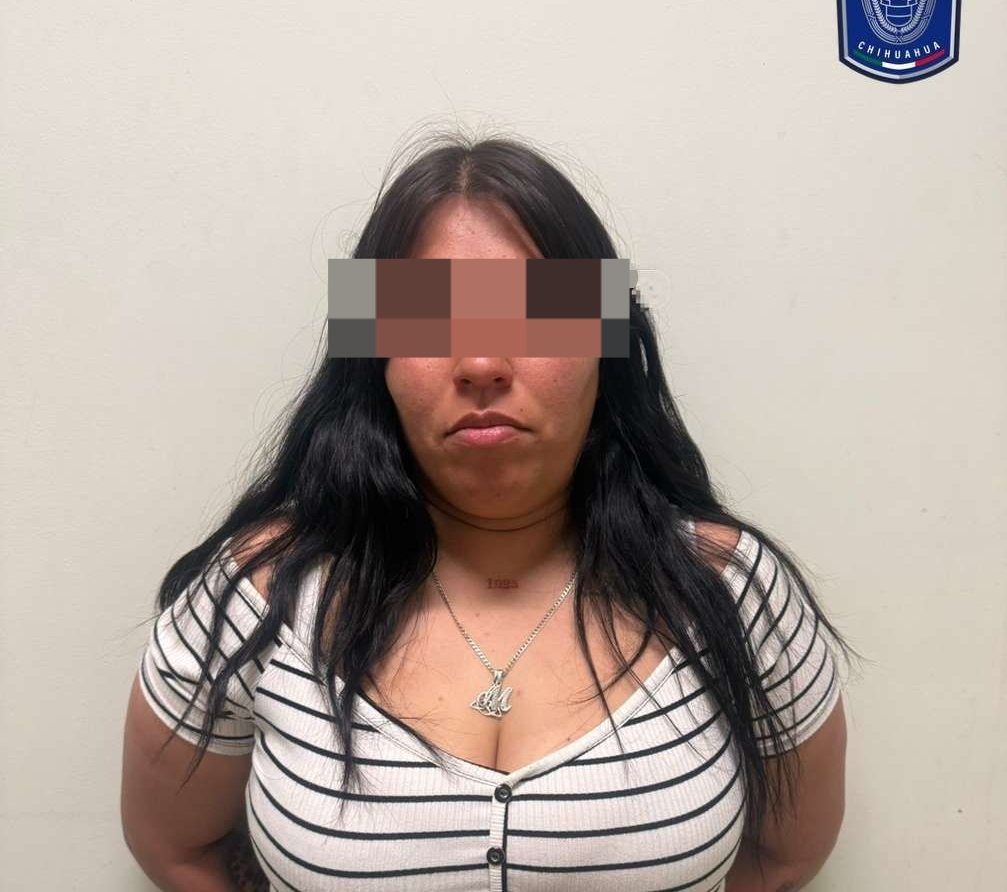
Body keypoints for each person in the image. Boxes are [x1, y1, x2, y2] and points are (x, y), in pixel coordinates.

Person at [121, 132, 859, 891]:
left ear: (605, 341)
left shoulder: (731, 589)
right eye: (426, 316)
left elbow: (785, 857)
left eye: (535, 311)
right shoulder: (256, 592)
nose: (479, 363)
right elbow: (176, 848)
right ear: (373, 352)